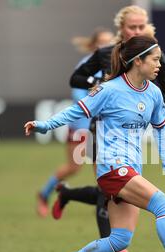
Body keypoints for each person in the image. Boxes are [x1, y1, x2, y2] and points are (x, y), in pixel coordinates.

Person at [24, 36, 165, 252]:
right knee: (162, 204)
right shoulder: (109, 90)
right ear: (138, 61)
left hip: (130, 169)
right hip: (111, 168)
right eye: (155, 59)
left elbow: (161, 131)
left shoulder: (154, 93)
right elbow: (76, 111)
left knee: (120, 239)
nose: (160, 65)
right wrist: (44, 125)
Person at [50, 5, 165, 252]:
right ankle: (110, 246)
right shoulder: (106, 53)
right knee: (109, 185)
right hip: (102, 133)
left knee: (112, 190)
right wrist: (96, 89)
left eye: (142, 26)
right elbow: (77, 78)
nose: (137, 30)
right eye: (133, 26)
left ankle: (73, 202)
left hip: (131, 134)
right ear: (121, 28)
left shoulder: (155, 57)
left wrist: (144, 103)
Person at [36, 28, 114, 217]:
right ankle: (45, 194)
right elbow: (79, 95)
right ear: (94, 45)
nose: (105, 46)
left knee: (105, 174)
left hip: (103, 129)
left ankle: (106, 212)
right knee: (73, 167)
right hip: (82, 127)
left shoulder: (116, 64)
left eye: (109, 42)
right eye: (101, 42)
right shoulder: (86, 65)